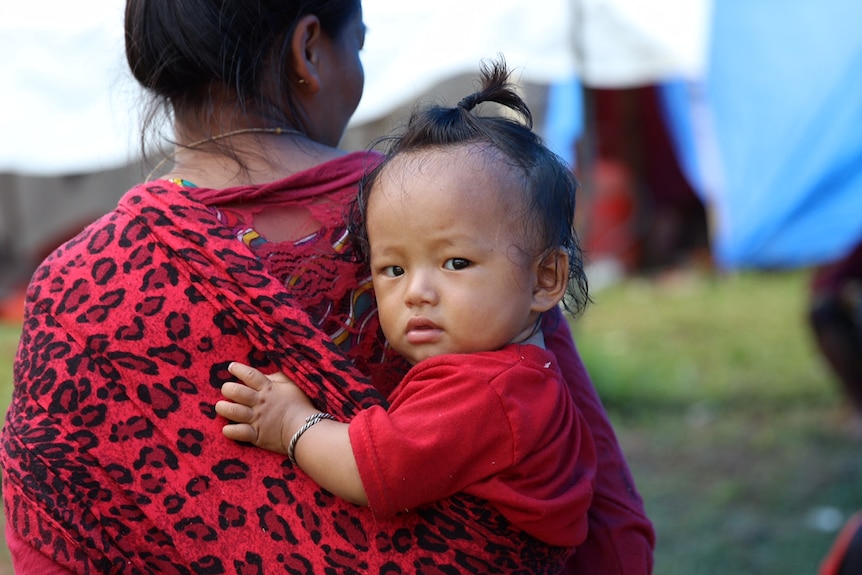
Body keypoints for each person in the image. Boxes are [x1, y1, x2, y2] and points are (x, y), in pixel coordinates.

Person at [0, 0, 654, 573]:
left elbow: (57, 539)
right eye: (359, 46)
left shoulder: (78, 282)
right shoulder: (463, 214)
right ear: (308, 48)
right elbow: (602, 506)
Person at [214, 60, 596, 552]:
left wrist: (291, 423)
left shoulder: (490, 391)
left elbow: (373, 472)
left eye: (455, 263)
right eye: (392, 270)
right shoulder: (517, 370)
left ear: (546, 280)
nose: (416, 292)